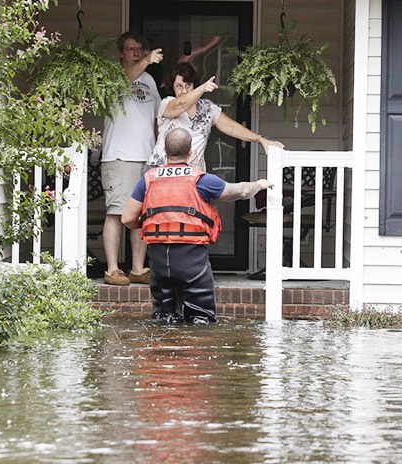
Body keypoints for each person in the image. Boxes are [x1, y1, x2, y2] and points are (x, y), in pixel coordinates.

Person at [122, 128, 274, 324]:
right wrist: (259, 184)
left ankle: (161, 351)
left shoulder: (148, 180)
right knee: (200, 320)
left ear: (164, 152)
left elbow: (127, 218)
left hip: (158, 258)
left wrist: (151, 224)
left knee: (163, 319)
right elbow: (240, 191)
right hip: (190, 258)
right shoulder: (201, 180)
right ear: (190, 152)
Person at [101, 31, 163, 286]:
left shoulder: (148, 80)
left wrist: (160, 150)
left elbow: (157, 117)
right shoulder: (112, 76)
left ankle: (138, 269)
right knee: (116, 212)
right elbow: (126, 79)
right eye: (131, 49)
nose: (137, 53)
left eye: (140, 49)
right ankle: (113, 269)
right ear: (120, 53)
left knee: (141, 215)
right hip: (120, 155)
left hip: (146, 157)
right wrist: (148, 60)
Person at [146, 62, 284, 171]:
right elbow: (183, 104)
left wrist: (260, 139)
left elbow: (231, 128)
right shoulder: (167, 103)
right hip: (161, 171)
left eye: (188, 85)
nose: (183, 91)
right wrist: (203, 88)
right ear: (172, 87)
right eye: (178, 86)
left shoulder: (207, 108)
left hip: (193, 175)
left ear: (194, 85)